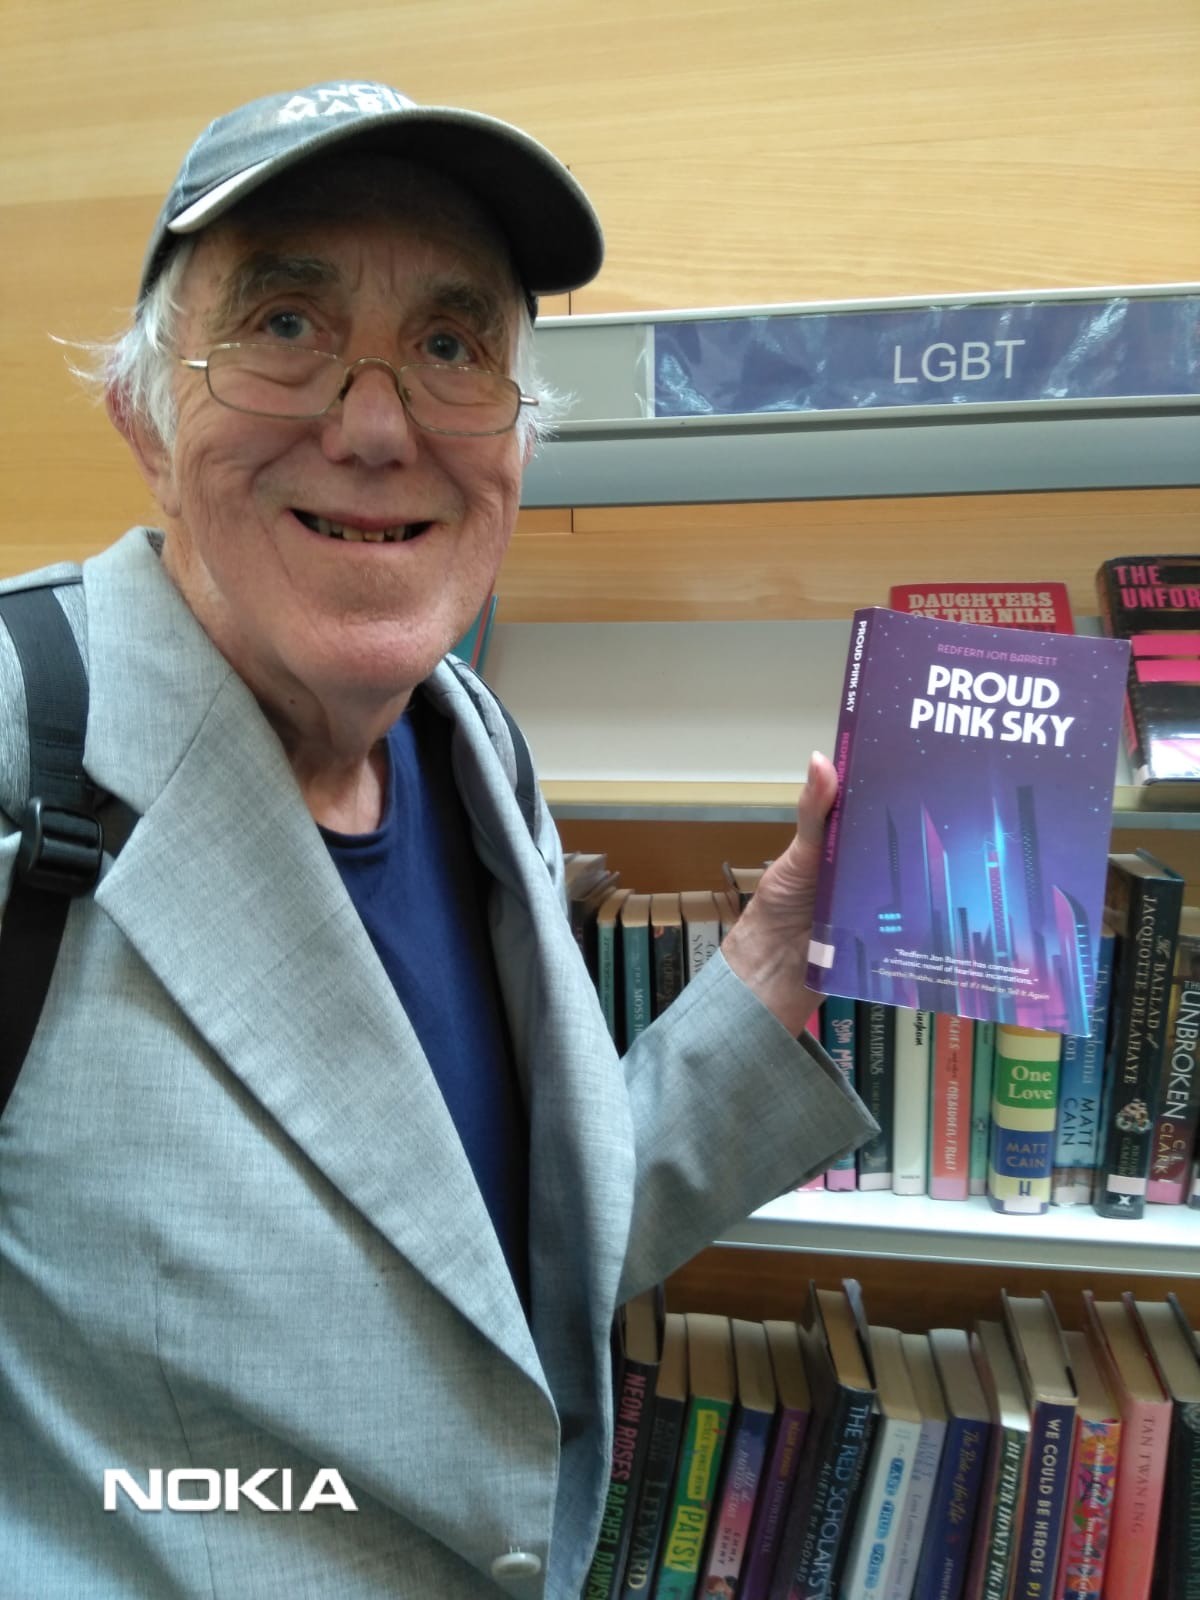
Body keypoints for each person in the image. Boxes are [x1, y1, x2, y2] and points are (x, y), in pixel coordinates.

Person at [0, 80, 874, 1599]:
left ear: (518, 443)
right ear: (143, 413)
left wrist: (772, 968)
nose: (377, 423)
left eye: (454, 347)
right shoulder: (23, 739)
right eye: (284, 327)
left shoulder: (476, 754)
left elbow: (482, 1280)